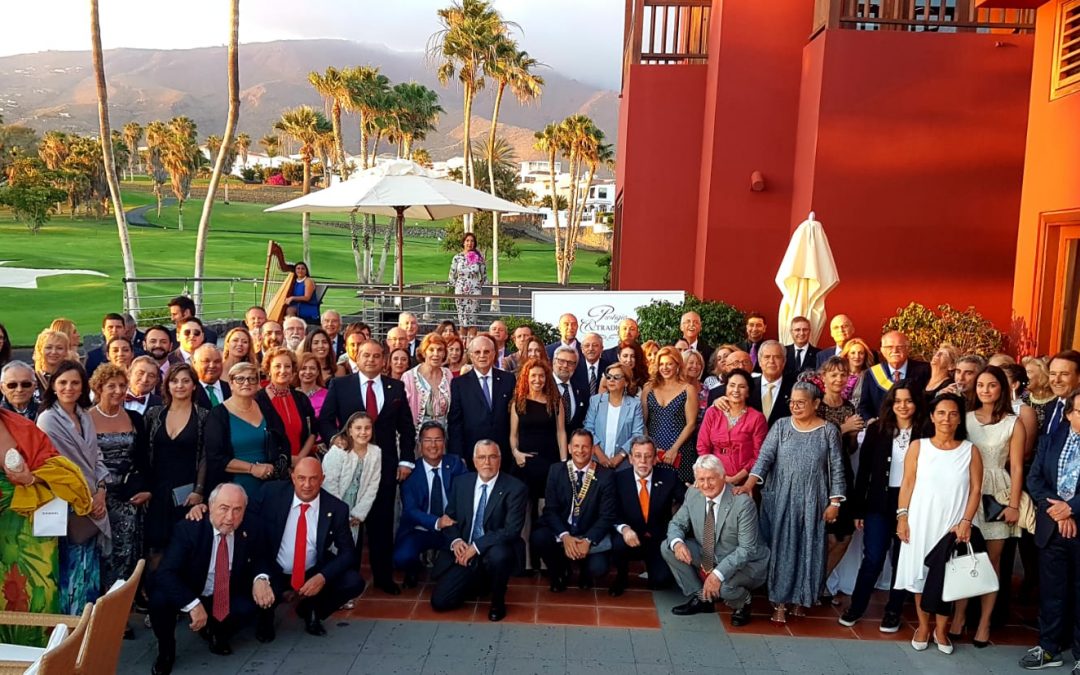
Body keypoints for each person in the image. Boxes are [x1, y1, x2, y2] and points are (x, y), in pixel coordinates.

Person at [738, 381, 846, 624]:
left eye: (801, 402)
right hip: (781, 499)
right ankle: (779, 602)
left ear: (816, 404)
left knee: (808, 549)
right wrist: (749, 484)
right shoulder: (781, 426)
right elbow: (764, 458)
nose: (795, 407)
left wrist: (835, 503)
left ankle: (801, 599)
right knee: (782, 550)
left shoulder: (828, 431)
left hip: (813, 500)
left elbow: (837, 469)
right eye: (792, 402)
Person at [318, 339, 417, 595]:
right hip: (348, 467)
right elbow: (326, 420)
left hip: (383, 467)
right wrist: (334, 438)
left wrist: (406, 459)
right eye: (365, 355)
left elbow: (406, 427)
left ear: (383, 360)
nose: (371, 360)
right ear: (357, 357)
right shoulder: (341, 385)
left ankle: (383, 577)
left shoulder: (395, 387)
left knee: (381, 524)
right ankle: (347, 578)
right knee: (347, 523)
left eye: (376, 356)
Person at [894, 393, 983, 655]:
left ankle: (941, 630)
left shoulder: (970, 450)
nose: (947, 418)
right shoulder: (918, 446)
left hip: (953, 526)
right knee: (920, 576)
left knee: (948, 579)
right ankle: (922, 627)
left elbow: (976, 489)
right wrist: (902, 516)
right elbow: (907, 483)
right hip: (920, 521)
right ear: (932, 417)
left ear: (959, 419)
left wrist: (966, 521)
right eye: (941, 413)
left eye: (953, 413)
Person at [947, 365, 1025, 646]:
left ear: (1002, 388)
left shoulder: (1013, 422)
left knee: (991, 562)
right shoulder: (964, 419)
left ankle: (984, 622)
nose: (985, 390)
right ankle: (959, 617)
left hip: (997, 496)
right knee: (964, 556)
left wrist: (1014, 504)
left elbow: (1016, 467)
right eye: (980, 384)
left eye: (991, 385)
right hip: (967, 492)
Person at [842, 382, 925, 631]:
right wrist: (858, 509)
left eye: (908, 400)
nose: (903, 406)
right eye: (897, 401)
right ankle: (856, 606)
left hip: (912, 504)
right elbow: (864, 471)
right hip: (878, 503)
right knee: (873, 558)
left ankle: (893, 611)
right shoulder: (878, 429)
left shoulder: (926, 430)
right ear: (890, 404)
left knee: (902, 559)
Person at [258, 457, 364, 637]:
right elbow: (247, 526)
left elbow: (348, 552)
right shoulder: (271, 493)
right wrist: (259, 576)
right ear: (292, 477)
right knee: (258, 597)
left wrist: (322, 577)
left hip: (312, 570)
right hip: (274, 569)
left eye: (313, 478)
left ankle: (310, 609)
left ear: (322, 479)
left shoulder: (336, 508)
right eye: (301, 478)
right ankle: (265, 615)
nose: (307, 484)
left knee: (353, 581)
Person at [36, 360, 110, 614]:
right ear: (54, 387)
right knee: (72, 570)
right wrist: (87, 499)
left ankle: (89, 627)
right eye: (63, 382)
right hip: (68, 505)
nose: (69, 387)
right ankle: (70, 633)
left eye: (75, 383)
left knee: (90, 567)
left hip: (94, 499)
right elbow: (59, 466)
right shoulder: (47, 419)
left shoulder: (85, 416)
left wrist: (101, 491)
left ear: (82, 387)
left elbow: (96, 457)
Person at [663, 454, 769, 624]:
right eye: (701, 479)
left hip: (746, 562)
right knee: (668, 547)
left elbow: (746, 550)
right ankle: (703, 598)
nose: (705, 485)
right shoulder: (693, 493)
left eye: (711, 479)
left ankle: (743, 602)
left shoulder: (742, 503)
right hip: (709, 553)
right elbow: (677, 523)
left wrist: (717, 575)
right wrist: (677, 544)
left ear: (723, 476)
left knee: (725, 588)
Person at [430, 439, 528, 621]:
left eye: (492, 457)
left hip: (494, 548)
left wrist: (476, 546)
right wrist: (456, 541)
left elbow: (511, 530)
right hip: (465, 551)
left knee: (500, 555)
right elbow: (449, 518)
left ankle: (498, 601)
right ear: (474, 460)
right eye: (482, 457)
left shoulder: (515, 488)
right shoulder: (461, 483)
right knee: (440, 602)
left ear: (500, 459)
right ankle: (480, 581)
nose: (487, 463)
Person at [1020, 386, 1080, 670]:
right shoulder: (1050, 439)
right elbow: (1034, 480)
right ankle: (1049, 649)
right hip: (1053, 528)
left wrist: (1073, 508)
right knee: (1052, 591)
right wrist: (1059, 512)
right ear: (1069, 413)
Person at [87, 363, 149, 622]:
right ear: (99, 387)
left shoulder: (133, 418)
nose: (118, 391)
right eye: (111, 385)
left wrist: (146, 489)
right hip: (97, 497)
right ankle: (101, 610)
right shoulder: (85, 418)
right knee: (102, 554)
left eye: (122, 386)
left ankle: (119, 612)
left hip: (127, 497)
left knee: (126, 554)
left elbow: (144, 459)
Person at [531, 429, 617, 591]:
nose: (580, 451)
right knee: (539, 537)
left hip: (588, 531)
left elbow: (607, 516)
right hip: (563, 529)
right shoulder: (556, 470)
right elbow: (550, 509)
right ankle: (559, 572)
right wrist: (565, 536)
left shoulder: (606, 476)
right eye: (576, 446)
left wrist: (588, 540)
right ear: (569, 448)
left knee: (598, 568)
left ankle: (585, 571)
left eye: (585, 447)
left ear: (592, 450)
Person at [144, 364, 209, 571]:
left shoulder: (204, 416)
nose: (179, 385)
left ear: (194, 386)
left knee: (182, 546)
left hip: (187, 493)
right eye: (174, 381)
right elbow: (144, 453)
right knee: (155, 546)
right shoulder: (155, 414)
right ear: (167, 385)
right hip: (157, 491)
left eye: (185, 381)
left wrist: (199, 491)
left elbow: (206, 457)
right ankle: (152, 594)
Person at [394, 421, 467, 587]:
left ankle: (446, 568)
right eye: (427, 440)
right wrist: (437, 522)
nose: (433, 445)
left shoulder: (455, 464)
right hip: (421, 529)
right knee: (401, 558)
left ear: (444, 442)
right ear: (420, 444)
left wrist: (452, 521)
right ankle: (414, 569)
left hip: (451, 528)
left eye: (438, 440)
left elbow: (467, 494)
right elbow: (410, 511)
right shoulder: (411, 472)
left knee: (460, 560)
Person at [611, 437, 686, 596]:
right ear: (631, 459)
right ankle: (621, 576)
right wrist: (624, 529)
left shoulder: (669, 476)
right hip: (630, 537)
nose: (643, 461)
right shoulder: (619, 479)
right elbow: (611, 512)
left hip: (657, 539)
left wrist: (696, 490)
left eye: (648, 456)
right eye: (638, 456)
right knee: (617, 543)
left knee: (661, 581)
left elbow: (687, 501)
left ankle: (655, 570)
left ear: (655, 458)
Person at [204, 362, 290, 499]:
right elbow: (215, 458)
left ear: (257, 384)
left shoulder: (265, 407)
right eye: (240, 379)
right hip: (233, 487)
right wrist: (252, 469)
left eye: (251, 379)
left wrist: (277, 466)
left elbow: (282, 439)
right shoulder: (218, 414)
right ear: (231, 383)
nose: (246, 383)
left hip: (269, 485)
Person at [321, 412, 381, 608]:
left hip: (355, 510)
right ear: (349, 430)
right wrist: (341, 514)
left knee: (349, 550)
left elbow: (373, 485)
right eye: (358, 428)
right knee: (332, 550)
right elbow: (329, 484)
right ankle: (328, 590)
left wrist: (358, 513)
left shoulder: (375, 452)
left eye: (367, 428)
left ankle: (345, 593)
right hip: (336, 508)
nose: (363, 432)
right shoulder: (338, 453)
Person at [818, 357, 863, 580]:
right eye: (833, 374)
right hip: (822, 477)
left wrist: (854, 434)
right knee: (827, 537)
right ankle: (811, 583)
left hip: (844, 473)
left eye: (843, 374)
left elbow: (851, 449)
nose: (838, 379)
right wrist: (844, 428)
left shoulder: (849, 407)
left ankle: (819, 581)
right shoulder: (816, 406)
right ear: (823, 377)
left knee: (845, 536)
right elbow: (816, 444)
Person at [447, 334, 515, 467]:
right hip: (472, 454)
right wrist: (458, 455)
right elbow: (455, 423)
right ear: (471, 356)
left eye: (487, 351)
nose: (482, 355)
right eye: (477, 352)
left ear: (494, 354)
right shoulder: (459, 384)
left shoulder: (508, 380)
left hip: (503, 453)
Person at [696, 369, 767, 487]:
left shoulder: (757, 418)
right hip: (713, 477)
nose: (736, 390)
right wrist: (712, 473)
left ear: (748, 392)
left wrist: (736, 478)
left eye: (742, 387)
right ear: (726, 388)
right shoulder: (712, 412)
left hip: (743, 481)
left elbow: (758, 455)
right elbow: (702, 446)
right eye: (732, 385)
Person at [642, 346, 699, 483]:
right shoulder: (648, 388)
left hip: (680, 451)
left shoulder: (688, 389)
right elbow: (643, 421)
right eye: (661, 364)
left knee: (679, 494)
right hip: (654, 451)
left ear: (678, 365)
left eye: (669, 364)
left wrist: (674, 449)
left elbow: (691, 424)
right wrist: (650, 447)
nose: (665, 367)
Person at [258, 348, 318, 463]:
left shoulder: (301, 398)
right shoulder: (259, 400)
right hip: (272, 466)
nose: (283, 370)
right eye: (277, 366)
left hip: (301, 464)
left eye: (287, 366)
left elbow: (313, 431)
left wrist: (300, 458)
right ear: (268, 369)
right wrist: (288, 460)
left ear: (293, 370)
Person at [584, 362, 645, 470]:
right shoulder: (596, 401)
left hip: (624, 463)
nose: (611, 380)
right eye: (609, 377)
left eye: (616, 377)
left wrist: (620, 456)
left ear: (626, 382)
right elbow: (588, 429)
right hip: (596, 460)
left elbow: (637, 434)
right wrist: (600, 455)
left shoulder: (635, 404)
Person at [858, 330, 931, 421]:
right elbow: (864, 407)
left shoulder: (925, 370)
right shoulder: (872, 374)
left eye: (899, 347)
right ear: (882, 350)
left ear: (907, 348)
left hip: (916, 429)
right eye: (889, 347)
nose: (895, 351)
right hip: (882, 430)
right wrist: (871, 422)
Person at [402, 334, 452, 434]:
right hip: (418, 436)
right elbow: (402, 413)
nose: (436, 354)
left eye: (440, 350)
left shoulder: (448, 374)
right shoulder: (409, 377)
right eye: (431, 350)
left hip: (443, 437)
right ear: (424, 352)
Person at [448, 232, 487, 328]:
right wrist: (458, 286)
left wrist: (477, 285)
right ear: (463, 242)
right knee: (462, 321)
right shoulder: (457, 258)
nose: (470, 243)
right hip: (460, 292)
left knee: (472, 322)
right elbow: (451, 275)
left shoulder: (479, 258)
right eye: (467, 241)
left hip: (474, 293)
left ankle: (472, 342)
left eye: (472, 241)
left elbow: (484, 276)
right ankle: (463, 341)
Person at [552, 346, 588, 435]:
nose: (565, 366)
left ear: (575, 366)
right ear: (553, 362)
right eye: (561, 361)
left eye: (570, 363)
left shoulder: (581, 388)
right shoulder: (543, 385)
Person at [839, 337, 875, 414]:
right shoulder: (838, 374)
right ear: (847, 355)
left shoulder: (870, 376)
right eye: (853, 353)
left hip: (860, 418)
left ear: (865, 356)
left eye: (861, 353)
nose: (857, 356)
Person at [32, 329, 71, 396]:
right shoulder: (30, 376)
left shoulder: (73, 376)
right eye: (48, 347)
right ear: (40, 349)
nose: (54, 352)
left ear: (66, 351)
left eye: (59, 348)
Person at [192, 344, 230, 409]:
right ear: (194, 363)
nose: (212, 366)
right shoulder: (190, 391)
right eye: (206, 361)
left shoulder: (230, 389)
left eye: (217, 361)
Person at [296, 352, 328, 421]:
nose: (308, 372)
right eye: (303, 368)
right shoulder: (292, 395)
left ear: (318, 372)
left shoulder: (327, 395)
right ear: (298, 371)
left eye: (312, 368)